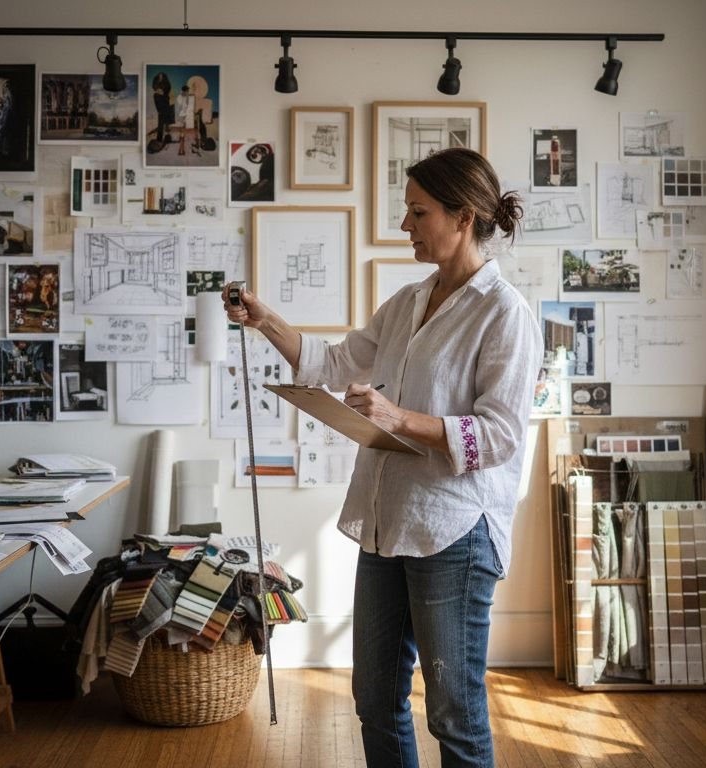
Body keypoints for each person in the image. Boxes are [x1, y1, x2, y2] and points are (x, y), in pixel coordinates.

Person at [222, 147, 541, 768]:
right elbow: (337, 365)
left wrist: (398, 418)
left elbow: (500, 435)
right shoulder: (407, 303)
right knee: (374, 698)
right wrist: (265, 321)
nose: (405, 226)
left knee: (453, 710)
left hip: (454, 531)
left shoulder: (504, 314)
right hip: (386, 521)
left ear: (465, 216)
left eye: (418, 213)